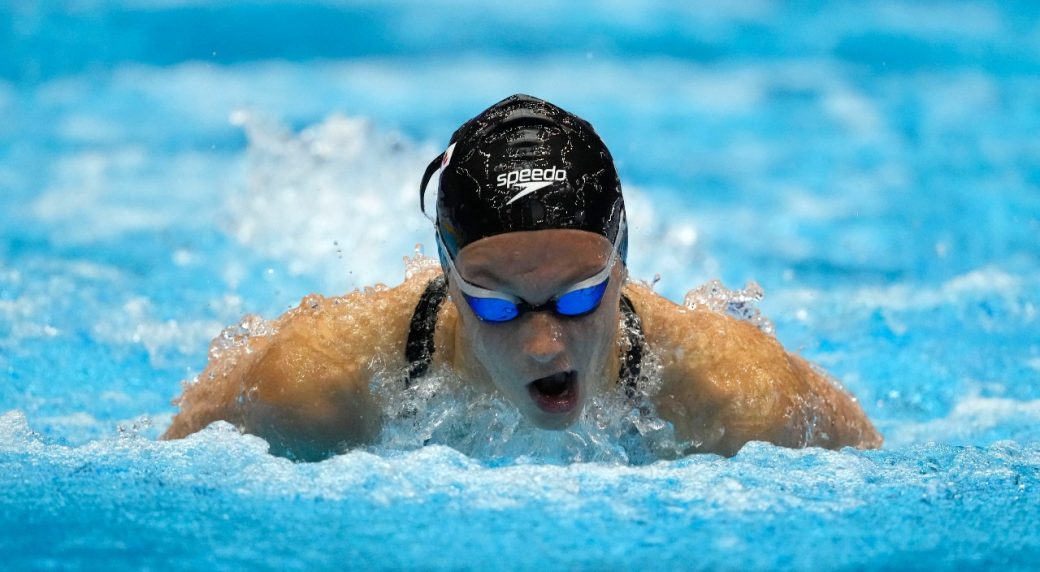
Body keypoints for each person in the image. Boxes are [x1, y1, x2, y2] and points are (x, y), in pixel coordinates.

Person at [162, 94, 881, 461]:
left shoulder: (733, 394)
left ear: (620, 262)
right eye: (500, 307)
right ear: (447, 278)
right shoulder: (319, 384)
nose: (545, 345)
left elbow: (880, 476)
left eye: (577, 298)